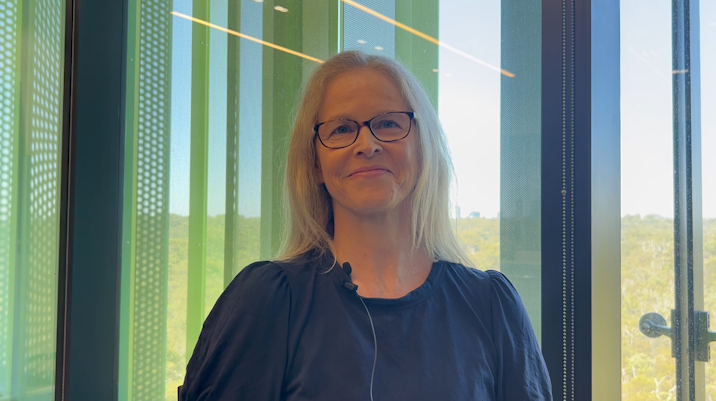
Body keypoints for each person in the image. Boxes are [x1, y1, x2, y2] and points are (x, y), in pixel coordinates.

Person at [178, 50, 552, 401]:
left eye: (388, 123)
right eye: (341, 129)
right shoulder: (268, 302)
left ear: (422, 149)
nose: (367, 144)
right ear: (314, 164)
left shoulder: (491, 306)